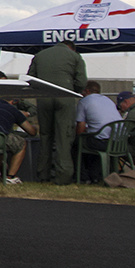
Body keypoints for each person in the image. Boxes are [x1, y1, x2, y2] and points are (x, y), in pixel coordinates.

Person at [28, 42, 86, 184]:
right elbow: (81, 82)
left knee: (45, 136)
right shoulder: (75, 57)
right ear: (71, 47)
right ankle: (62, 177)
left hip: (44, 98)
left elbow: (30, 78)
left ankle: (43, 175)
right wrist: (73, 90)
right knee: (63, 137)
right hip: (64, 97)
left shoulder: (39, 56)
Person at [75, 82, 122, 183]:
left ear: (87, 91)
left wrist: (78, 135)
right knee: (94, 144)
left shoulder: (84, 101)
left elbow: (81, 127)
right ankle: (96, 176)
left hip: (102, 142)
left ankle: (83, 177)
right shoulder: (108, 100)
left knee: (76, 145)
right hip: (118, 142)